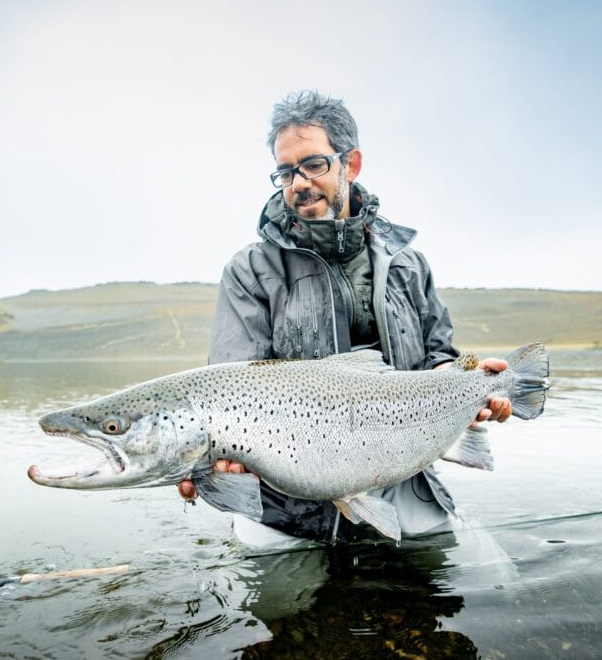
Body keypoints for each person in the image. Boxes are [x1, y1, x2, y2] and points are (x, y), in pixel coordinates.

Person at [178, 90, 511, 547]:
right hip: (287, 505)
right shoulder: (250, 270)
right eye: (285, 171)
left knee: (493, 584)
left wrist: (469, 384)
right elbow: (233, 386)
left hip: (403, 472)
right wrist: (211, 462)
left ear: (350, 165)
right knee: (279, 609)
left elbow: (440, 356)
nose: (298, 182)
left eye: (313, 165)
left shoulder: (408, 264)